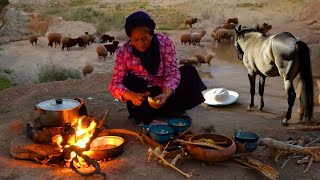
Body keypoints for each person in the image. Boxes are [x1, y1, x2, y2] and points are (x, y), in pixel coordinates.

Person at [109, 11, 207, 125]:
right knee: (129, 80)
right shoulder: (124, 52)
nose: (140, 44)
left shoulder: (164, 43)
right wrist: (131, 95)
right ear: (130, 38)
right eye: (135, 40)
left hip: (164, 88)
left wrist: (166, 94)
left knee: (188, 71)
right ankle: (150, 112)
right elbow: (114, 84)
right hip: (143, 94)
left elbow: (171, 73)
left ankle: (175, 109)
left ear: (151, 34)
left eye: (144, 38)